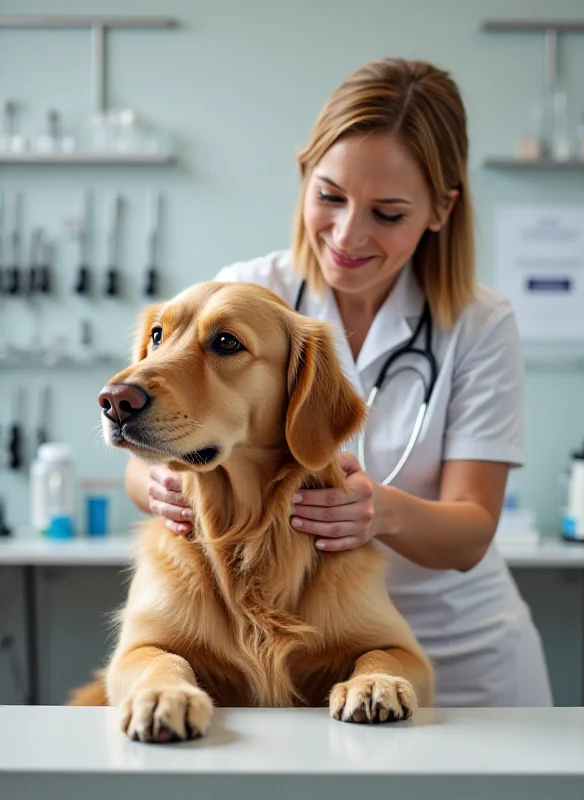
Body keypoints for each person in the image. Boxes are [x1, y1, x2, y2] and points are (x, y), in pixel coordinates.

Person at [124, 57, 552, 707]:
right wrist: (157, 481)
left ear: (440, 210)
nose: (348, 235)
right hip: (283, 649)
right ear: (304, 177)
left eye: (388, 212)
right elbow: (153, 450)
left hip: (458, 654)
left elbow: (471, 532)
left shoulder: (479, 324)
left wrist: (379, 511)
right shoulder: (244, 294)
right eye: (330, 196)